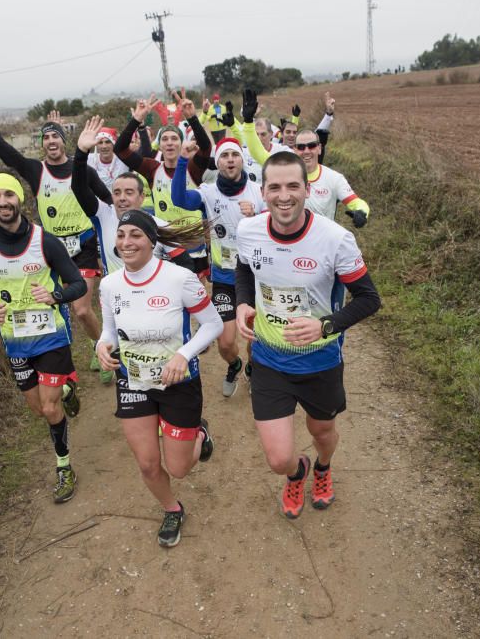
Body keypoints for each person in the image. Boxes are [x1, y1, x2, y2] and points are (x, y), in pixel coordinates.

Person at [235, 151, 381, 519]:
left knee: (322, 431)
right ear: (263, 192)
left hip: (320, 360)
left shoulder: (336, 239)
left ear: (307, 189)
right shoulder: (248, 231)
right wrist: (242, 303)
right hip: (269, 357)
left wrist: (326, 324)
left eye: (293, 186)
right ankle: (298, 472)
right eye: (275, 187)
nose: (284, 196)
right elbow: (243, 270)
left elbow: (369, 299)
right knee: (278, 458)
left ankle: (323, 467)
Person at [95, 210, 223, 547]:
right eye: (121, 235)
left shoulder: (179, 279)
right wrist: (102, 346)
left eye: (135, 234)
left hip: (177, 384)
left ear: (152, 240)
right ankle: (172, 509)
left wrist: (183, 355)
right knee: (149, 465)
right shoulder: (109, 285)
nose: (126, 242)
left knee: (179, 468)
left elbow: (213, 324)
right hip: (133, 382)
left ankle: (200, 432)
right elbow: (109, 330)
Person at [0, 68, 110, 383]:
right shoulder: (35, 171)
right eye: (46, 137)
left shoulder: (82, 169)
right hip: (50, 248)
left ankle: (100, 347)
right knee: (52, 309)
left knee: (81, 310)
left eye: (55, 136)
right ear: (42, 144)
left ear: (63, 142)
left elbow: (108, 201)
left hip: (85, 244)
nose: (51, 141)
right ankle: (60, 370)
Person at [0, 173, 88, 503]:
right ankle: (66, 388)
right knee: (39, 409)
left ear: (19, 199)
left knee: (50, 409)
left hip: (50, 336)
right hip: (15, 340)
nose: (3, 202)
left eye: (9, 194)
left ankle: (64, 466)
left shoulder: (45, 241)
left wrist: (55, 295)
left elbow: (76, 284)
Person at [171, 138, 264, 397]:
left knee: (254, 338)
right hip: (224, 277)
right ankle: (234, 365)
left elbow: (277, 226)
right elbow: (179, 199)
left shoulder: (258, 192)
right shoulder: (208, 192)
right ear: (218, 162)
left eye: (235, 154)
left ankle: (253, 369)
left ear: (242, 160)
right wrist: (182, 161)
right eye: (225, 156)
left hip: (256, 276)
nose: (230, 159)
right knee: (225, 342)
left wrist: (258, 215)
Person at [113, 91, 213, 277]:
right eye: (164, 139)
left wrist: (191, 117)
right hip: (166, 243)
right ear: (159, 145)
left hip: (192, 242)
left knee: (195, 296)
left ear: (181, 144)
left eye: (174, 138)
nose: (169, 143)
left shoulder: (192, 168)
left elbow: (206, 147)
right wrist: (136, 120)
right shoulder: (152, 169)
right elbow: (119, 149)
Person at [72, 115, 185, 275]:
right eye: (117, 193)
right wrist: (81, 152)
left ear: (141, 197)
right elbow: (78, 188)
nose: (122, 197)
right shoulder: (104, 215)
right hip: (115, 298)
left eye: (129, 192)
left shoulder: (159, 225)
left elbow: (186, 265)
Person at [292, 128, 370, 228]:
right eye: (301, 147)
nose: (306, 151)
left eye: (311, 146)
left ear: (319, 148)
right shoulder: (284, 176)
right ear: (295, 150)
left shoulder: (334, 178)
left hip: (323, 239)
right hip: (292, 240)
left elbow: (356, 202)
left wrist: (362, 212)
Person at [86, 126, 130, 192]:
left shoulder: (124, 160)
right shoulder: (88, 160)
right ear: (96, 145)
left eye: (107, 142)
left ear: (114, 144)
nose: (104, 146)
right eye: (100, 143)